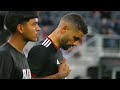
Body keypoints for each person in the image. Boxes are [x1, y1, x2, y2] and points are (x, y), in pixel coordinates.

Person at [28, 13, 88, 79]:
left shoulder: (58, 51)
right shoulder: (41, 49)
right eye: (75, 38)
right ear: (64, 29)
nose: (76, 44)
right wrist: (57, 76)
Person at [0, 11, 40, 79]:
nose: (38, 28)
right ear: (20, 28)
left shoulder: (20, 54)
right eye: (34, 24)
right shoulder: (5, 55)